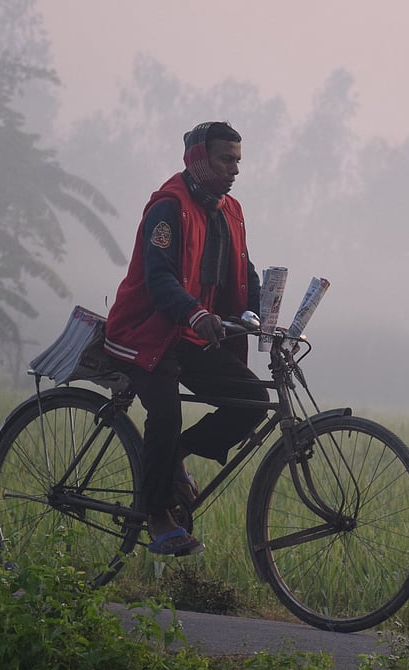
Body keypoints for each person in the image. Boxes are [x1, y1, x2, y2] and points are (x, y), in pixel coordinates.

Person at [104, 121, 269, 556]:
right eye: (225, 159)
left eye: (238, 160)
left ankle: (176, 454)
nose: (235, 169)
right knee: (165, 412)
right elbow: (159, 278)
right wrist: (196, 313)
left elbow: (245, 273)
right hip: (146, 332)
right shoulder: (168, 207)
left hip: (191, 335)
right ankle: (157, 514)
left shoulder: (230, 210)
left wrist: (263, 314)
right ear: (198, 160)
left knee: (253, 401)